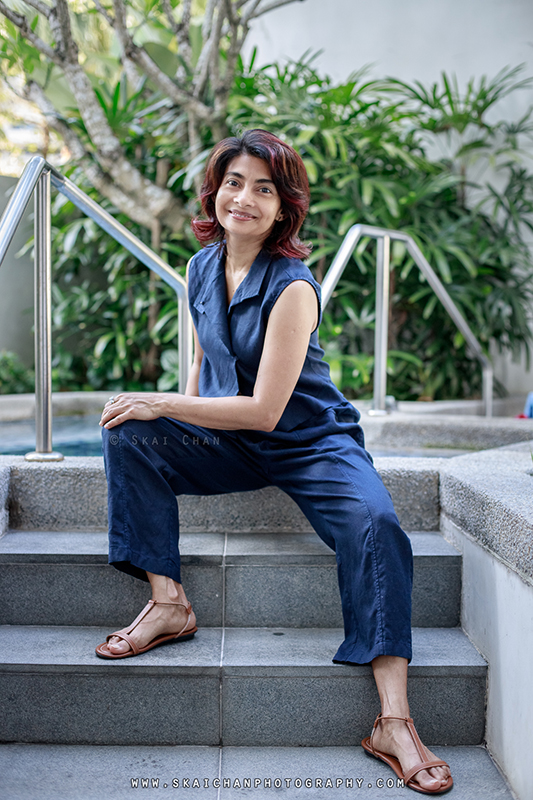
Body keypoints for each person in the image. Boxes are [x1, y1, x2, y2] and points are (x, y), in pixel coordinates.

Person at [95, 129, 453, 795]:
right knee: (126, 429)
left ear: (284, 207)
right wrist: (176, 413)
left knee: (375, 526)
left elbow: (264, 410)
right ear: (215, 189)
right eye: (235, 182)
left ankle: (393, 722)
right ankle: (168, 603)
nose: (245, 198)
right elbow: (206, 362)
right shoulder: (203, 266)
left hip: (311, 442)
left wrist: (164, 400)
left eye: (265, 188)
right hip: (233, 440)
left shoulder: (293, 286)